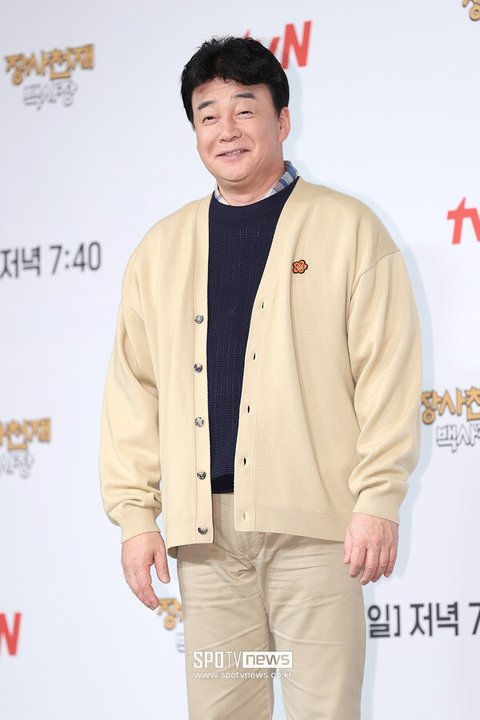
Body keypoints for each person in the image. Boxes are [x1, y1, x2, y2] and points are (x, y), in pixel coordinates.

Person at [99, 36, 422, 720]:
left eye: (245, 109)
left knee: (323, 711)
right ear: (194, 131)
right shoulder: (159, 250)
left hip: (316, 536)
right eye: (208, 114)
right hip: (207, 546)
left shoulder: (348, 228)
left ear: (282, 119)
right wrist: (135, 515)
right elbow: (135, 391)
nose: (227, 129)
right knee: (222, 712)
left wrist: (378, 499)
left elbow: (386, 375)